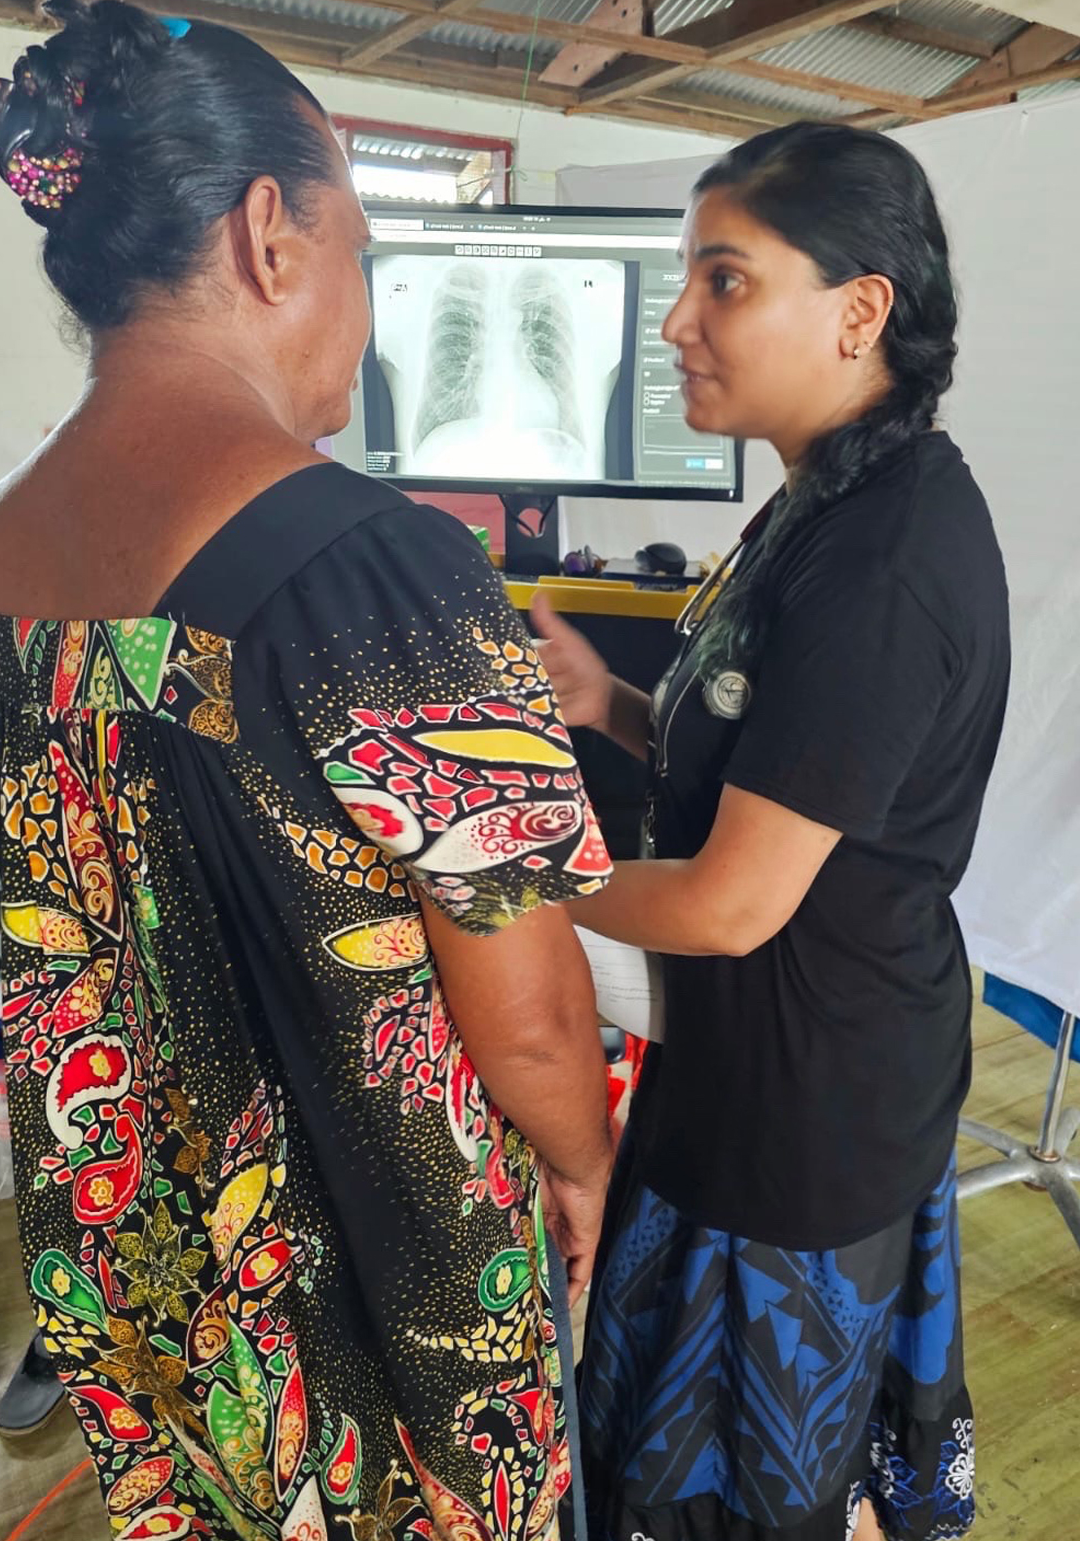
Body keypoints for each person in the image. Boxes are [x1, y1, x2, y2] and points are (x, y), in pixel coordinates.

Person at [0, 4, 613, 1538]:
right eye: (361, 254)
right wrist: (583, 1161)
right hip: (385, 1270)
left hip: (136, 1227)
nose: (363, 313)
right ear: (269, 234)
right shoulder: (384, 569)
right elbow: (527, 1012)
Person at [532, 123, 1009, 1541]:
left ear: (860, 310)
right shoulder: (821, 494)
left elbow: (737, 899)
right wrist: (609, 703)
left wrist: (516, 881)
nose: (675, 321)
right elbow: (764, 743)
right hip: (756, 1064)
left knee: (755, 1485)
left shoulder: (888, 554)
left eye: (723, 280)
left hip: (808, 1115)